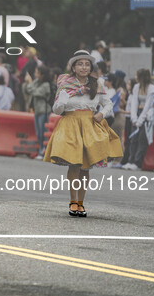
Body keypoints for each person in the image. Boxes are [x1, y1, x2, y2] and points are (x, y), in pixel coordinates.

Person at [43, 50, 122, 217]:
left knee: (86, 167)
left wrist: (101, 114)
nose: (84, 67)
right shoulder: (65, 84)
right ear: (73, 67)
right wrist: (62, 101)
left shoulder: (96, 84)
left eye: (87, 64)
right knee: (74, 164)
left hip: (89, 125)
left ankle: (81, 203)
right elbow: (57, 109)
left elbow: (108, 104)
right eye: (80, 64)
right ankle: (72, 201)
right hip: (70, 125)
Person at [122, 69, 154, 171]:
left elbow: (148, 106)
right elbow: (134, 103)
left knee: (142, 139)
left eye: (137, 75)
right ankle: (131, 161)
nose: (135, 77)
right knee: (133, 138)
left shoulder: (152, 89)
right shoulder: (136, 87)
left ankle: (137, 163)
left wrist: (140, 120)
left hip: (147, 115)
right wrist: (134, 118)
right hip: (137, 113)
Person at [24, 65, 52, 159]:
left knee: (43, 132)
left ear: (42, 75)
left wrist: (30, 82)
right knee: (38, 133)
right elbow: (28, 89)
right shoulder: (36, 82)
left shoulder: (46, 85)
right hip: (36, 110)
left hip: (44, 111)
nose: (35, 74)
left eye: (37, 72)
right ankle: (41, 149)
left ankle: (43, 151)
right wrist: (28, 82)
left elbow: (36, 92)